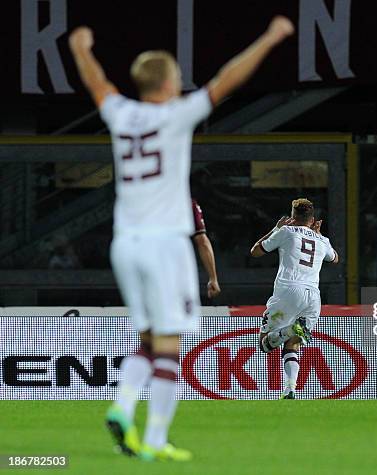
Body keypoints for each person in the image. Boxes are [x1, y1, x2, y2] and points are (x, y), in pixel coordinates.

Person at [69, 16, 294, 461]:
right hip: (165, 244)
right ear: (169, 83)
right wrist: (269, 37)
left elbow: (97, 84)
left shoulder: (120, 112)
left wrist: (80, 48)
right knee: (170, 345)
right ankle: (150, 435)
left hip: (125, 245)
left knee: (149, 340)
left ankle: (125, 409)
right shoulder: (176, 114)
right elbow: (225, 80)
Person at [250, 199, 339, 399]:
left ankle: (290, 329)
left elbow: (255, 251)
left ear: (293, 216)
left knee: (265, 344)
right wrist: (320, 235)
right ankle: (290, 388)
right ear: (312, 219)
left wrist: (275, 228)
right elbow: (335, 258)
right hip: (313, 297)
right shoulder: (321, 240)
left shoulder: (286, 232)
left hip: (288, 291)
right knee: (293, 343)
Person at [191, 198, 221, 299]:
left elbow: (202, 241)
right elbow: (202, 242)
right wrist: (213, 278)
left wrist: (213, 278)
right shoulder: (186, 202)